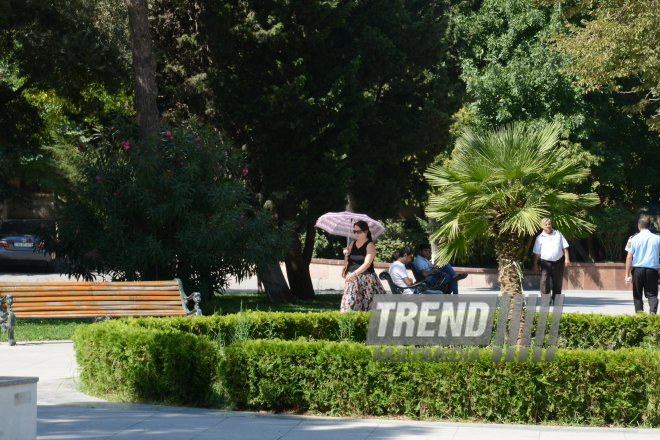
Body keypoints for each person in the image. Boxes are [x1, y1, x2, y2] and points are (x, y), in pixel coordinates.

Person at [340, 220, 386, 312]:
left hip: (366, 279)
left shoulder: (370, 245)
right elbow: (348, 261)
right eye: (355, 231)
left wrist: (354, 273)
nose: (356, 233)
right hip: (352, 278)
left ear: (366, 232)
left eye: (359, 231)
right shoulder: (353, 243)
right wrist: (346, 253)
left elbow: (367, 263)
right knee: (350, 304)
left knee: (369, 306)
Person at [625, 217, 660, 314]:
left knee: (637, 295)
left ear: (639, 226)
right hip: (652, 271)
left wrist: (627, 274)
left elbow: (629, 257)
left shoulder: (633, 239)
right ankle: (652, 315)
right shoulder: (658, 239)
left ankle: (640, 317)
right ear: (650, 226)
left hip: (638, 271)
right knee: (652, 295)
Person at [532, 218, 570, 304]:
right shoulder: (539, 238)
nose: (548, 226)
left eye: (549, 224)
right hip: (545, 262)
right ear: (541, 226)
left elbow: (565, 248)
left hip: (558, 262)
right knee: (544, 281)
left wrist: (567, 259)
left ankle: (556, 300)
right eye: (545, 225)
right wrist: (535, 264)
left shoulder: (558, 234)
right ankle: (546, 299)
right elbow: (537, 253)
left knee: (557, 282)